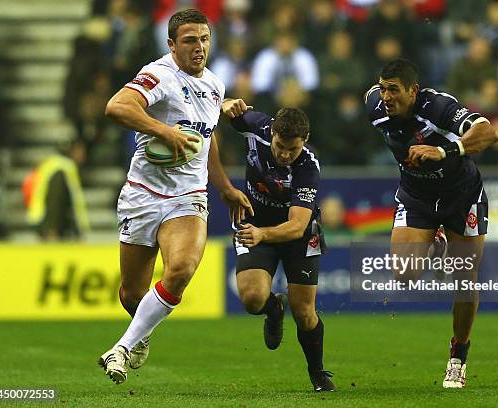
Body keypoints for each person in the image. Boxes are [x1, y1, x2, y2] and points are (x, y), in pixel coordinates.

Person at [97, 9, 252, 385]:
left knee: (180, 269)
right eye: (189, 41)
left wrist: (225, 188)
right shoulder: (160, 75)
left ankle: (120, 348)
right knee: (132, 293)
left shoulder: (214, 85)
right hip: (143, 194)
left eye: (204, 39)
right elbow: (117, 106)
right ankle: (141, 331)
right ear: (171, 44)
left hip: (188, 195)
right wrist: (164, 131)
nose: (199, 48)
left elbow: (207, 138)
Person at [364, 59, 498, 388]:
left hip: (461, 196)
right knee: (405, 274)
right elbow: (374, 96)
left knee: (464, 281)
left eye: (394, 90)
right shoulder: (374, 106)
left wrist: (447, 150)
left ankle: (458, 355)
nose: (386, 96)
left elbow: (488, 132)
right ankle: (436, 240)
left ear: (413, 91)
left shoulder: (438, 107)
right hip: (417, 198)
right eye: (382, 88)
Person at [221, 101, 336, 392]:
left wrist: (262, 234)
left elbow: (296, 226)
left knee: (304, 312)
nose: (284, 154)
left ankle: (318, 374)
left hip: (298, 235)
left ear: (305, 141)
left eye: (292, 149)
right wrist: (224, 104)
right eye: (279, 146)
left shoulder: (308, 167)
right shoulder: (256, 124)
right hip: (254, 224)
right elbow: (217, 112)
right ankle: (274, 309)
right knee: (251, 299)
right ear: (271, 132)